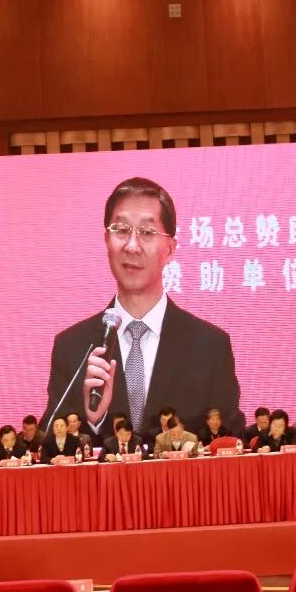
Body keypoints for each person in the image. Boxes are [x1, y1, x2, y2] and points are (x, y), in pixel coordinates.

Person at [44, 177, 244, 440]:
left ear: (170, 249)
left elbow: (230, 440)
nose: (132, 246)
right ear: (106, 240)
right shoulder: (73, 348)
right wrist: (94, 421)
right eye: (121, 230)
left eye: (147, 233)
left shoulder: (210, 346)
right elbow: (48, 444)